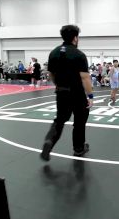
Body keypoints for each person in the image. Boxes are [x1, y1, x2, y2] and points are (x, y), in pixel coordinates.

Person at [40, 24, 93, 161]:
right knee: (79, 121)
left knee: (60, 120)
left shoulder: (54, 52)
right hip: (77, 93)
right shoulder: (79, 55)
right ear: (75, 38)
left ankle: (49, 142)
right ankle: (78, 148)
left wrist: (58, 85)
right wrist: (90, 96)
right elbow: (85, 77)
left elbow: (50, 74)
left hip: (61, 92)